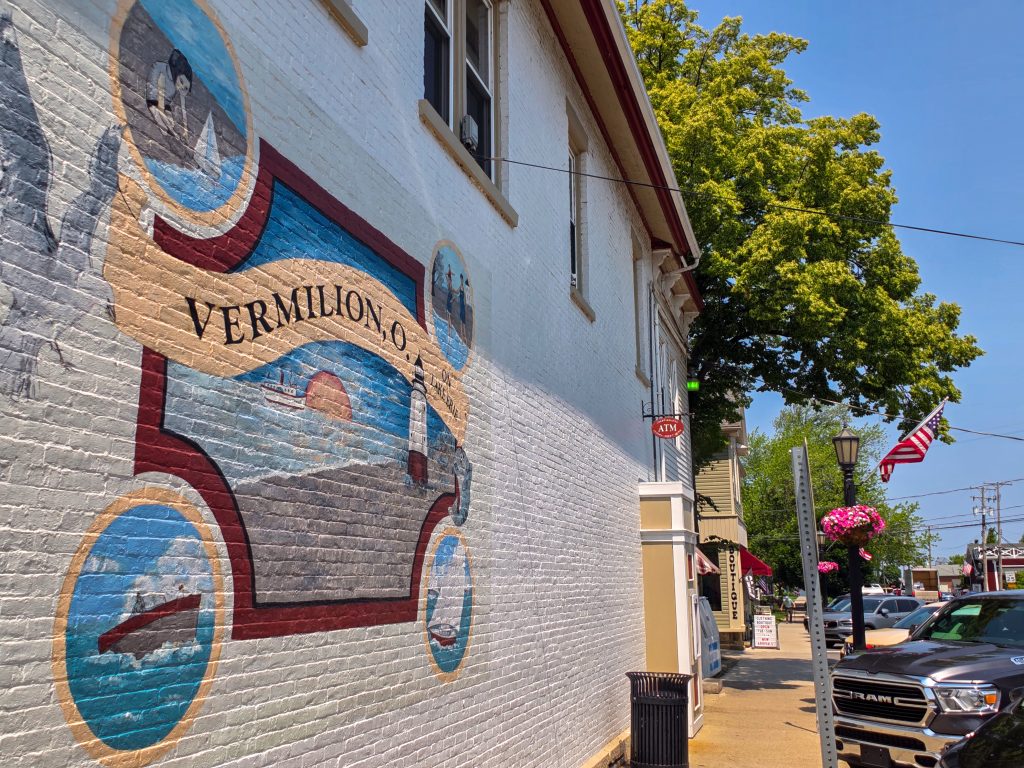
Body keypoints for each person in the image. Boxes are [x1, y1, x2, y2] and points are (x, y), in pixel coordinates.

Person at [147, 49, 193, 135]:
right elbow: (153, 101)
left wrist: (183, 130)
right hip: (153, 100)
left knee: (170, 124)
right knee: (164, 128)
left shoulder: (177, 80)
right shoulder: (159, 68)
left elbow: (179, 107)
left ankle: (168, 128)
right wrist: (172, 131)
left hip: (164, 103)